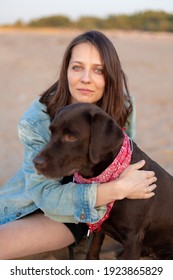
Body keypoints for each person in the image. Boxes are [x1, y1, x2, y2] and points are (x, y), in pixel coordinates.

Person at [0, 30, 157, 260]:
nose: (85, 78)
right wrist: (116, 189)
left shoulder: (120, 105)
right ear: (66, 71)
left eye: (98, 70)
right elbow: (44, 194)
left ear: (110, 76)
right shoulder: (38, 119)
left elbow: (121, 159)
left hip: (88, 212)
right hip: (44, 201)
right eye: (77, 67)